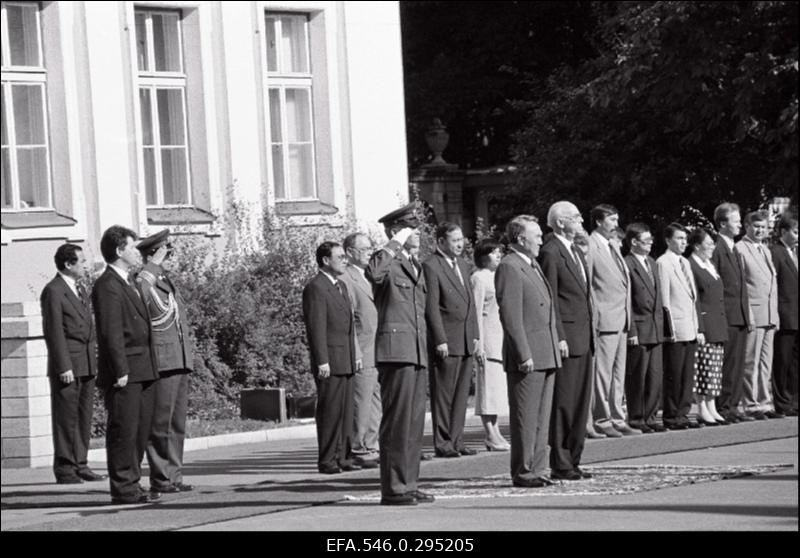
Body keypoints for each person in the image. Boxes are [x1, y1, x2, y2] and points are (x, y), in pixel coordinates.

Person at [366, 202, 434, 506]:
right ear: (396, 230)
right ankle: (394, 487)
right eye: (410, 227)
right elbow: (374, 272)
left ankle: (409, 482)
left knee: (414, 422)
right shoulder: (387, 261)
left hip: (416, 350)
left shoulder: (414, 263)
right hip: (396, 351)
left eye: (416, 227)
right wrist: (393, 242)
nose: (416, 233)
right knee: (396, 423)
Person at [92, 225, 160, 504]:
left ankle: (133, 481)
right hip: (126, 371)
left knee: (140, 429)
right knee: (124, 429)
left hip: (143, 367)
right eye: (132, 247)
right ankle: (123, 487)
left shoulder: (127, 281)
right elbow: (111, 332)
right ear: (119, 251)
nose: (137, 252)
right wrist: (119, 369)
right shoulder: (107, 285)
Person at [495, 215, 561, 488]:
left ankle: (539, 468)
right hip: (528, 355)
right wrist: (523, 353)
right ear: (521, 239)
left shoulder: (531, 264)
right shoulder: (510, 267)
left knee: (541, 418)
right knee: (526, 416)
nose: (540, 240)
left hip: (545, 351)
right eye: (536, 236)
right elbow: (511, 316)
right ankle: (524, 472)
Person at [135, 230, 195, 493]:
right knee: (160, 423)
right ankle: (161, 478)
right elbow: (142, 291)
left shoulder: (164, 279)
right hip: (163, 360)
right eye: (166, 251)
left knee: (176, 423)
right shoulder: (144, 278)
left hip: (179, 358)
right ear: (153, 254)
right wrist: (153, 263)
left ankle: (174, 475)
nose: (170, 255)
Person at [40, 244, 106, 484]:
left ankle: (81, 463)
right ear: (68, 264)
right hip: (68, 364)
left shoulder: (79, 288)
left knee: (83, 416)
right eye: (81, 261)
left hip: (86, 362)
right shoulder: (54, 291)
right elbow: (54, 331)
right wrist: (63, 365)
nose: (84, 264)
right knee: (66, 417)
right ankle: (66, 468)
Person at [539, 202, 594, 480]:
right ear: (560, 222)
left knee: (580, 402)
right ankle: (561, 461)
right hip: (568, 339)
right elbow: (551, 300)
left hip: (584, 337)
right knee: (564, 401)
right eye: (575, 217)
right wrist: (558, 335)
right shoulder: (551, 251)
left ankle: (574, 458)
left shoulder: (574, 250)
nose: (581, 220)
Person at [302, 241, 362, 474]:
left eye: (345, 257)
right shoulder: (316, 287)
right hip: (330, 360)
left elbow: (348, 325)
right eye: (340, 257)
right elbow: (316, 327)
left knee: (347, 411)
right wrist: (322, 360)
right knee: (330, 411)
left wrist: (354, 353)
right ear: (325, 260)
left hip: (345, 356)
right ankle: (327, 459)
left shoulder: (341, 286)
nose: (344, 261)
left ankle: (344, 456)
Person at [423, 222, 480, 458]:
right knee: (444, 393)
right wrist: (439, 339)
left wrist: (475, 334)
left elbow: (470, 302)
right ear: (441, 242)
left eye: (461, 239)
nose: (460, 244)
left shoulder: (464, 266)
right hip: (447, 339)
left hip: (466, 338)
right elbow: (432, 307)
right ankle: (443, 442)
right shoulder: (432, 265)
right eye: (454, 240)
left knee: (461, 394)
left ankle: (457, 440)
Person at [586, 204, 640, 437]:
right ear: (598, 221)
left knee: (619, 373)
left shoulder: (612, 245)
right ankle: (602, 417)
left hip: (622, 317)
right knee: (604, 373)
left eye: (617, 219)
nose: (615, 224)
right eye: (611, 219)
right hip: (605, 318)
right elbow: (588, 284)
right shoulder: (591, 244)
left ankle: (618, 417)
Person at [656, 222, 705, 430]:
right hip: (675, 327)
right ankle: (671, 414)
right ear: (668, 240)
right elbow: (665, 299)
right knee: (674, 374)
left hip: (690, 325)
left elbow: (693, 298)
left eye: (685, 239)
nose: (683, 242)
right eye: (679, 238)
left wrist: (698, 327)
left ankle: (683, 413)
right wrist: (669, 330)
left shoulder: (685, 262)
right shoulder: (663, 262)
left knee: (687, 374)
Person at [339, 232, 381, 468]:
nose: (369, 252)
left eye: (370, 247)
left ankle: (371, 445)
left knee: (376, 401)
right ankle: (358, 447)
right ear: (350, 252)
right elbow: (349, 320)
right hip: (362, 348)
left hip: (378, 348)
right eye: (364, 248)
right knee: (361, 401)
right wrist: (355, 351)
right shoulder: (347, 278)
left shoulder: (369, 276)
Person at [736, 211, 783, 420]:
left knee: (766, 362)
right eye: (756, 226)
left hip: (770, 314)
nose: (760, 230)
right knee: (750, 361)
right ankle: (750, 403)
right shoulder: (740, 248)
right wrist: (748, 315)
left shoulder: (765, 249)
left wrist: (776, 315)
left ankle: (765, 402)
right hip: (753, 313)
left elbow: (772, 285)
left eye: (763, 227)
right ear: (747, 226)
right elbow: (742, 287)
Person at [711, 203, 755, 423]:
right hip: (726, 315)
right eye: (735, 221)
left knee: (738, 363)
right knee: (727, 364)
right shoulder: (717, 248)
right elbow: (716, 284)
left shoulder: (734, 248)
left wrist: (747, 315)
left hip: (739, 314)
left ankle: (735, 405)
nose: (739, 224)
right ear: (722, 224)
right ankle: (724, 406)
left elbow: (742, 285)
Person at [623, 223, 666, 433]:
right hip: (639, 327)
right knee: (637, 376)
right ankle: (637, 416)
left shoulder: (652, 262)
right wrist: (631, 330)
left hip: (655, 327)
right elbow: (628, 300)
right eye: (645, 241)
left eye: (650, 241)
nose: (650, 244)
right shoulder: (627, 263)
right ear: (634, 242)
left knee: (654, 375)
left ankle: (650, 415)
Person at [470, 239, 510, 451]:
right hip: (488, 338)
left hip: (502, 337)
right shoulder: (479, 278)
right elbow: (476, 311)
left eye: (499, 252)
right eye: (494, 253)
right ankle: (490, 433)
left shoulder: (499, 276)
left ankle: (496, 430)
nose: (498, 256)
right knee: (487, 389)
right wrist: (479, 343)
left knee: (496, 390)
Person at [687, 228, 729, 426]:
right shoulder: (692, 265)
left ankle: (711, 404)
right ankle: (702, 407)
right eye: (709, 243)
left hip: (717, 322)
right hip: (705, 323)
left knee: (714, 368)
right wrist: (700, 327)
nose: (712, 247)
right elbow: (695, 299)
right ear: (697, 246)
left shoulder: (709, 264)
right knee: (703, 368)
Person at [770, 211, 798, 416]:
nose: (798, 236)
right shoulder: (776, 252)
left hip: (796, 315)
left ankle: (794, 399)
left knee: (795, 362)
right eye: (795, 232)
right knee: (782, 360)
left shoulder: (795, 252)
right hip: (785, 314)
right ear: (783, 231)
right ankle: (782, 401)